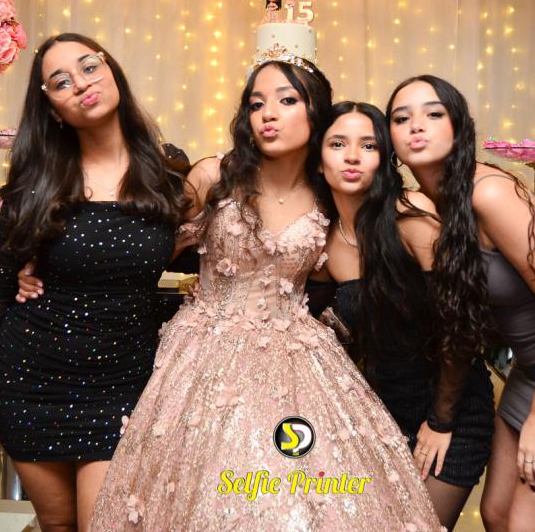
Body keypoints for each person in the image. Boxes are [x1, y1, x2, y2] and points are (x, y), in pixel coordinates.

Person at [89, 57, 443, 531]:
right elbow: (141, 251)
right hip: (202, 357)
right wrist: (45, 264)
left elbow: (363, 272)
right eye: (256, 104)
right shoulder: (215, 177)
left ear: (316, 113)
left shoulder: (329, 193)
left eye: (286, 100)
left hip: (299, 360)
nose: (268, 114)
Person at [0, 33, 189, 532]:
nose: (80, 83)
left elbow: (213, 260)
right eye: (61, 81)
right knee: (57, 526)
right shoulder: (35, 184)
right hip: (30, 383)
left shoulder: (168, 172)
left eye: (89, 67)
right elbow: (1, 293)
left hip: (124, 384)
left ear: (111, 70)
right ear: (52, 108)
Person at [386, 74, 535, 532]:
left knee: (528, 525)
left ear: (458, 127)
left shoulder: (489, 192)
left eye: (433, 114)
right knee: (498, 515)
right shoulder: (433, 206)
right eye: (401, 118)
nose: (416, 126)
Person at [312, 101, 493, 530]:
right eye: (337, 144)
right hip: (378, 416)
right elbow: (311, 324)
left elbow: (461, 323)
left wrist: (441, 420)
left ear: (385, 158)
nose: (352, 156)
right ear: (318, 161)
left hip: (449, 411)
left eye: (368, 145)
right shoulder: (325, 239)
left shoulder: (410, 215)